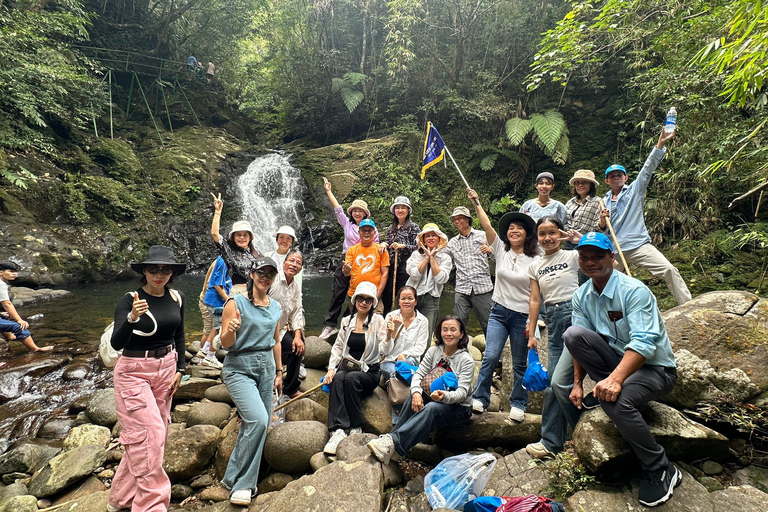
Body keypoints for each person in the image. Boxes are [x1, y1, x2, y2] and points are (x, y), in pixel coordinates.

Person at [564, 232, 680, 507]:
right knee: (572, 334)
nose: (590, 262)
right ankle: (608, 386)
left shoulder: (633, 291)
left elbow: (645, 343)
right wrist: (579, 384)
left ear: (612, 258)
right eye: (585, 257)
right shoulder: (582, 295)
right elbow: (580, 341)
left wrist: (615, 381)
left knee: (614, 400)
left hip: (655, 369)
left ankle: (660, 467)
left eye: (598, 256)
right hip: (618, 361)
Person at [107, 246, 186, 512]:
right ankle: (151, 505)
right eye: (153, 269)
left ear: (173, 272)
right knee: (149, 436)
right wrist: (132, 318)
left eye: (165, 269)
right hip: (133, 371)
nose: (159, 274)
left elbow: (180, 335)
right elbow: (117, 343)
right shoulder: (129, 300)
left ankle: (119, 499)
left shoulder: (177, 297)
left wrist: (181, 369)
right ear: (144, 271)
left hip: (167, 369)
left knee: (154, 435)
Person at [467, 189, 540, 421]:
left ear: (527, 233)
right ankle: (480, 398)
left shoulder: (536, 259)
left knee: (519, 362)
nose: (514, 230)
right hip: (498, 312)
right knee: (489, 356)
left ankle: (518, 403)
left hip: (521, 316)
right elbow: (487, 225)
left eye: (519, 228)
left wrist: (533, 321)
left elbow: (536, 296)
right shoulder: (501, 250)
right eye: (511, 228)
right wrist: (476, 202)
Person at [366, 315, 474, 464]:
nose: (448, 334)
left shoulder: (466, 360)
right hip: (433, 395)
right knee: (413, 398)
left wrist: (445, 396)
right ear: (440, 332)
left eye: (453, 330)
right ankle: (394, 448)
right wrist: (416, 392)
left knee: (431, 408)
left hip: (459, 407)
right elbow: (418, 375)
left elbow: (462, 393)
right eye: (445, 330)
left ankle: (392, 442)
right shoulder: (434, 351)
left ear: (461, 334)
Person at [601, 127, 691, 305]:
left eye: (619, 175)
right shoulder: (602, 201)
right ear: (607, 181)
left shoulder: (635, 190)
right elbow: (603, 229)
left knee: (668, 269)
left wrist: (660, 144)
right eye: (612, 176)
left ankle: (688, 305)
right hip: (614, 249)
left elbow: (647, 169)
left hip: (637, 243)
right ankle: (615, 320)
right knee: (609, 285)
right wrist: (602, 220)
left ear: (626, 178)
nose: (616, 177)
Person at [219, 257, 283, 507]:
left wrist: (279, 371)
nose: (265, 277)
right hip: (239, 366)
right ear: (252, 274)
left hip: (266, 366)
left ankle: (231, 476)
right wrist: (231, 329)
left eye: (270, 274)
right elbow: (226, 344)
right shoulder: (236, 303)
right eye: (261, 272)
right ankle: (244, 485)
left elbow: (276, 340)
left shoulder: (276, 307)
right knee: (258, 420)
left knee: (254, 424)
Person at [523, 217, 583, 460]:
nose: (547, 238)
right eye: (542, 234)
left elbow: (611, 263)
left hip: (576, 315)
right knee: (552, 387)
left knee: (560, 383)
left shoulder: (573, 256)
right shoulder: (535, 265)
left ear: (561, 234)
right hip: (554, 320)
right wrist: (532, 330)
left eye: (552, 232)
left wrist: (580, 243)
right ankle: (551, 442)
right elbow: (535, 300)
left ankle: (584, 433)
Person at [323, 281, 385, 455]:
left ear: (372, 303)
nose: (363, 302)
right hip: (349, 368)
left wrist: (391, 335)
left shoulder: (378, 321)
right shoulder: (346, 321)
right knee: (338, 378)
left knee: (349, 379)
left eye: (368, 299)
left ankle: (356, 425)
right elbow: (337, 346)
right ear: (355, 300)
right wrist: (330, 369)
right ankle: (338, 430)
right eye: (360, 298)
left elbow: (385, 349)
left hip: (369, 372)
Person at [319, 177, 379, 340]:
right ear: (351, 213)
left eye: (360, 211)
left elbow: (377, 247)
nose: (357, 213)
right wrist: (329, 191)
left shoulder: (372, 229)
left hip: (363, 264)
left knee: (359, 295)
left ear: (365, 213)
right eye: (355, 210)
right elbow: (338, 208)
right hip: (346, 259)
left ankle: (349, 322)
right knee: (338, 293)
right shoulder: (347, 223)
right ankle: (330, 325)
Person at [443, 206, 493, 333]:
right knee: (457, 325)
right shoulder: (452, 242)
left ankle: (494, 352)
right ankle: (458, 351)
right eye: (454, 219)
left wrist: (490, 251)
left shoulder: (483, 236)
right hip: (462, 289)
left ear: (468, 219)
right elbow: (440, 254)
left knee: (489, 324)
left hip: (482, 287)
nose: (457, 221)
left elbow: (501, 256)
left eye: (460, 218)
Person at [268, 250, 305, 398]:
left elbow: (297, 312)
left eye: (298, 263)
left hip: (280, 331)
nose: (294, 265)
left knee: (298, 348)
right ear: (283, 263)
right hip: (263, 329)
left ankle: (290, 388)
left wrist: (297, 336)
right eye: (291, 261)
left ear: (301, 268)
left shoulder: (296, 287)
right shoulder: (273, 280)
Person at [406, 223, 452, 339]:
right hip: (412, 296)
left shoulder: (445, 258)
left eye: (434, 235)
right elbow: (415, 275)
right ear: (423, 241)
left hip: (432, 298)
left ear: (439, 239)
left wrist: (433, 258)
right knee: (408, 330)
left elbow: (441, 279)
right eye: (427, 236)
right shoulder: (416, 255)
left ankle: (423, 357)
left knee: (426, 333)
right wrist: (426, 257)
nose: (431, 238)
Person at [210, 192, 260, 296]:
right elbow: (214, 234)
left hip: (253, 292)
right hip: (235, 292)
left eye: (245, 235)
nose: (242, 237)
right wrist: (217, 212)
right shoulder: (228, 250)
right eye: (238, 235)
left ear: (250, 237)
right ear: (233, 237)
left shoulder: (256, 255)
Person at [379, 196, 420, 315]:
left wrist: (403, 246)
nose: (400, 210)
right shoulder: (391, 228)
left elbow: (419, 247)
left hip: (406, 265)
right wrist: (384, 243)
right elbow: (388, 241)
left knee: (402, 292)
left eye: (403, 208)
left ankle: (403, 317)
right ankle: (387, 318)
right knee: (388, 291)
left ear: (408, 211)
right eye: (397, 208)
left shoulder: (414, 227)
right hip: (391, 263)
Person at [0, 261, 52, 352]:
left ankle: (9, 336)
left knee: (4, 315)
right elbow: (7, 304)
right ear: (1, 272)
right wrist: (19, 320)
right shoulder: (1, 285)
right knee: (18, 327)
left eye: (16, 272)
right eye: (11, 271)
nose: (14, 274)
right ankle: (36, 349)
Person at [342, 219, 390, 315]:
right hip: (356, 293)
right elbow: (347, 273)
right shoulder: (351, 250)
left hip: (374, 293)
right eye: (364, 230)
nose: (366, 233)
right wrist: (346, 271)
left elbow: (385, 274)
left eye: (369, 230)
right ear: (359, 232)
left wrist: (378, 294)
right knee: (354, 321)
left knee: (376, 319)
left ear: (374, 232)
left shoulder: (381, 250)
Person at [380, 285, 429, 379]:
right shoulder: (391, 316)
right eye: (403, 298)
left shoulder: (423, 321)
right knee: (394, 372)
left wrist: (404, 355)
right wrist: (391, 333)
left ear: (415, 301)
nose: (406, 301)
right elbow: (383, 350)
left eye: (410, 298)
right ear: (399, 301)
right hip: (390, 361)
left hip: (409, 360)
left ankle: (400, 380)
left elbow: (420, 347)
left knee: (408, 363)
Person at [196, 256, 232, 369]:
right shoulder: (223, 260)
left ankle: (205, 352)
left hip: (211, 300)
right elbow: (213, 284)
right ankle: (207, 357)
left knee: (214, 327)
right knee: (216, 327)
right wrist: (228, 300)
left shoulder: (224, 260)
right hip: (212, 301)